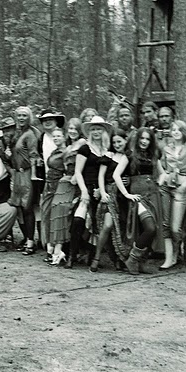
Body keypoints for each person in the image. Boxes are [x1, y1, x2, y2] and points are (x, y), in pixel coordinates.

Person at [113, 128, 166, 275]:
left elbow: (163, 173)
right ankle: (132, 259)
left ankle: (141, 262)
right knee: (150, 228)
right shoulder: (129, 155)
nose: (144, 141)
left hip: (153, 195)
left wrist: (159, 182)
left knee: (148, 230)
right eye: (142, 138)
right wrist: (126, 194)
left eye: (147, 139)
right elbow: (116, 175)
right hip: (138, 197)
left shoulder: (153, 155)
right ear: (137, 139)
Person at [65, 115, 112, 269]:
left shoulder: (106, 151)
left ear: (104, 131)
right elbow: (78, 172)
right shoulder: (85, 148)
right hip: (84, 187)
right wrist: (84, 191)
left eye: (99, 129)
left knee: (97, 223)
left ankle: (91, 256)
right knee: (78, 219)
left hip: (100, 189)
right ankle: (72, 256)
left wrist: (101, 190)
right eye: (93, 129)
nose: (96, 132)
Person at [158, 121, 186, 270]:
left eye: (179, 130)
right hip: (166, 187)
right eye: (173, 129)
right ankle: (169, 258)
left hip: (180, 188)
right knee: (166, 224)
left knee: (175, 228)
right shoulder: (167, 147)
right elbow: (161, 164)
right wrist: (163, 176)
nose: (175, 132)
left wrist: (185, 184)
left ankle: (178, 249)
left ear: (184, 131)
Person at [91, 129, 130, 272]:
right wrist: (102, 192)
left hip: (122, 197)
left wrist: (129, 180)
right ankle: (96, 257)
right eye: (114, 142)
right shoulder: (109, 155)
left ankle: (118, 259)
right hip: (109, 193)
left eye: (119, 141)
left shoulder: (129, 156)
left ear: (126, 140)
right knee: (107, 225)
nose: (117, 144)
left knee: (120, 228)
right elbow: (101, 176)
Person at [48, 118, 86, 265]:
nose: (72, 131)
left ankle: (60, 250)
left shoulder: (83, 143)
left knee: (64, 209)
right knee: (56, 208)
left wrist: (77, 175)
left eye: (75, 129)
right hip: (65, 180)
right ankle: (57, 250)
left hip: (76, 181)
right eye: (70, 128)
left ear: (80, 130)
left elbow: (84, 163)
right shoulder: (69, 146)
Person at [7, 106, 41, 255]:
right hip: (17, 174)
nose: (21, 118)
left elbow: (33, 155)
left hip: (27, 174)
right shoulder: (17, 134)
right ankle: (26, 238)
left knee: (27, 208)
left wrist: (33, 175)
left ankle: (31, 242)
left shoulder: (30, 134)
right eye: (19, 115)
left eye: (24, 116)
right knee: (19, 208)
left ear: (29, 118)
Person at [40, 127, 66, 258]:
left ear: (64, 137)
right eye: (54, 136)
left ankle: (54, 248)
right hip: (49, 184)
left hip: (58, 185)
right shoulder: (55, 151)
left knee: (53, 215)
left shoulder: (66, 152)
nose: (56, 138)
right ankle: (49, 246)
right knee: (46, 214)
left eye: (58, 136)